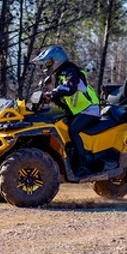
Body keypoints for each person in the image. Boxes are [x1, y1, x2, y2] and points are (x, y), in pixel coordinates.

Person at [32, 45, 100, 177]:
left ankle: (83, 165)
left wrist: (52, 93)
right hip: (78, 111)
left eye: (49, 62)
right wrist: (47, 97)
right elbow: (62, 96)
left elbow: (70, 89)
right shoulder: (60, 73)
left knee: (73, 130)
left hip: (90, 110)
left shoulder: (71, 70)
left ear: (57, 60)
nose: (47, 65)